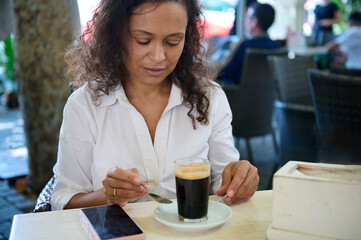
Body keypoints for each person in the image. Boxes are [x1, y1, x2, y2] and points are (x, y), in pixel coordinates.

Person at [51, 0, 259, 211]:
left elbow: (224, 181)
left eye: (172, 42)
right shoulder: (85, 105)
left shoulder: (210, 98)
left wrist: (239, 179)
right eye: (143, 41)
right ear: (116, 35)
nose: (158, 57)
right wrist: (107, 196)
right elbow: (62, 201)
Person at [217, 2, 281, 85]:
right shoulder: (276, 46)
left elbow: (224, 74)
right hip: (266, 97)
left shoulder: (245, 46)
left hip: (236, 95)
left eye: (247, 17)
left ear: (254, 22)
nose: (244, 21)